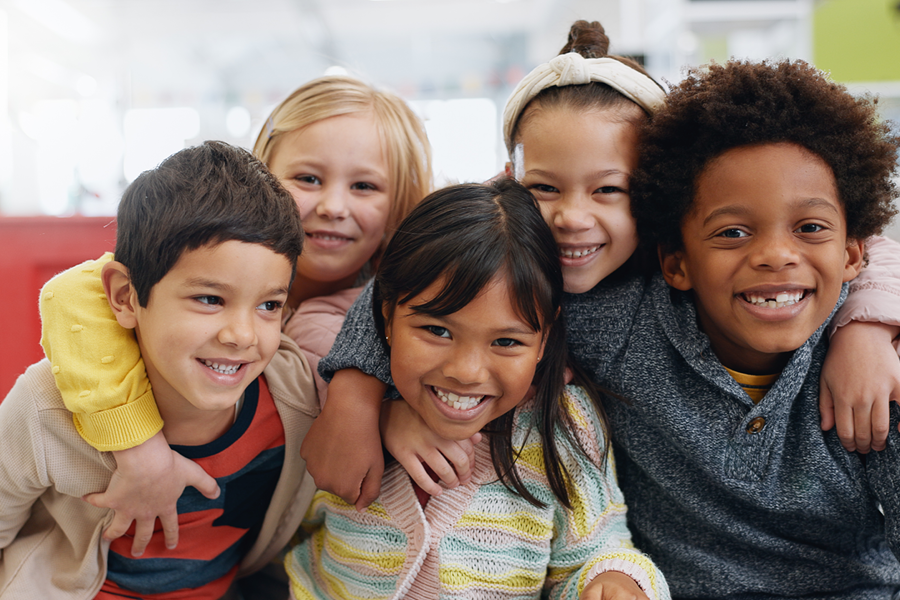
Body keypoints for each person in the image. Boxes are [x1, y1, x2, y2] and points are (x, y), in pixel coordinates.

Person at [323, 59, 900, 595]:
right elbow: (429, 284)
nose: (572, 218)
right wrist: (359, 398)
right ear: (675, 256)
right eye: (732, 233)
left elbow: (860, 245)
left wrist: (868, 327)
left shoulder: (870, 363)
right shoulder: (614, 316)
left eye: (608, 189)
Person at [35, 74, 444, 558]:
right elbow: (73, 293)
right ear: (264, 178)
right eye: (309, 179)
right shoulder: (201, 260)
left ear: (399, 201)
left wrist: (382, 410)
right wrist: (137, 446)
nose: (334, 206)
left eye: (364, 186)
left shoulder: (395, 307)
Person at [285, 179, 670, 600]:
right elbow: (289, 530)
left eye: (506, 341)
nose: (466, 372)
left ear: (544, 339)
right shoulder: (345, 413)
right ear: (387, 316)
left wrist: (612, 581)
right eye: (436, 330)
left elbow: (596, 551)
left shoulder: (566, 426)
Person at [0, 141, 320, 599]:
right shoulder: (44, 408)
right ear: (126, 297)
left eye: (269, 305)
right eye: (210, 299)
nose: (243, 335)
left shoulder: (295, 398)